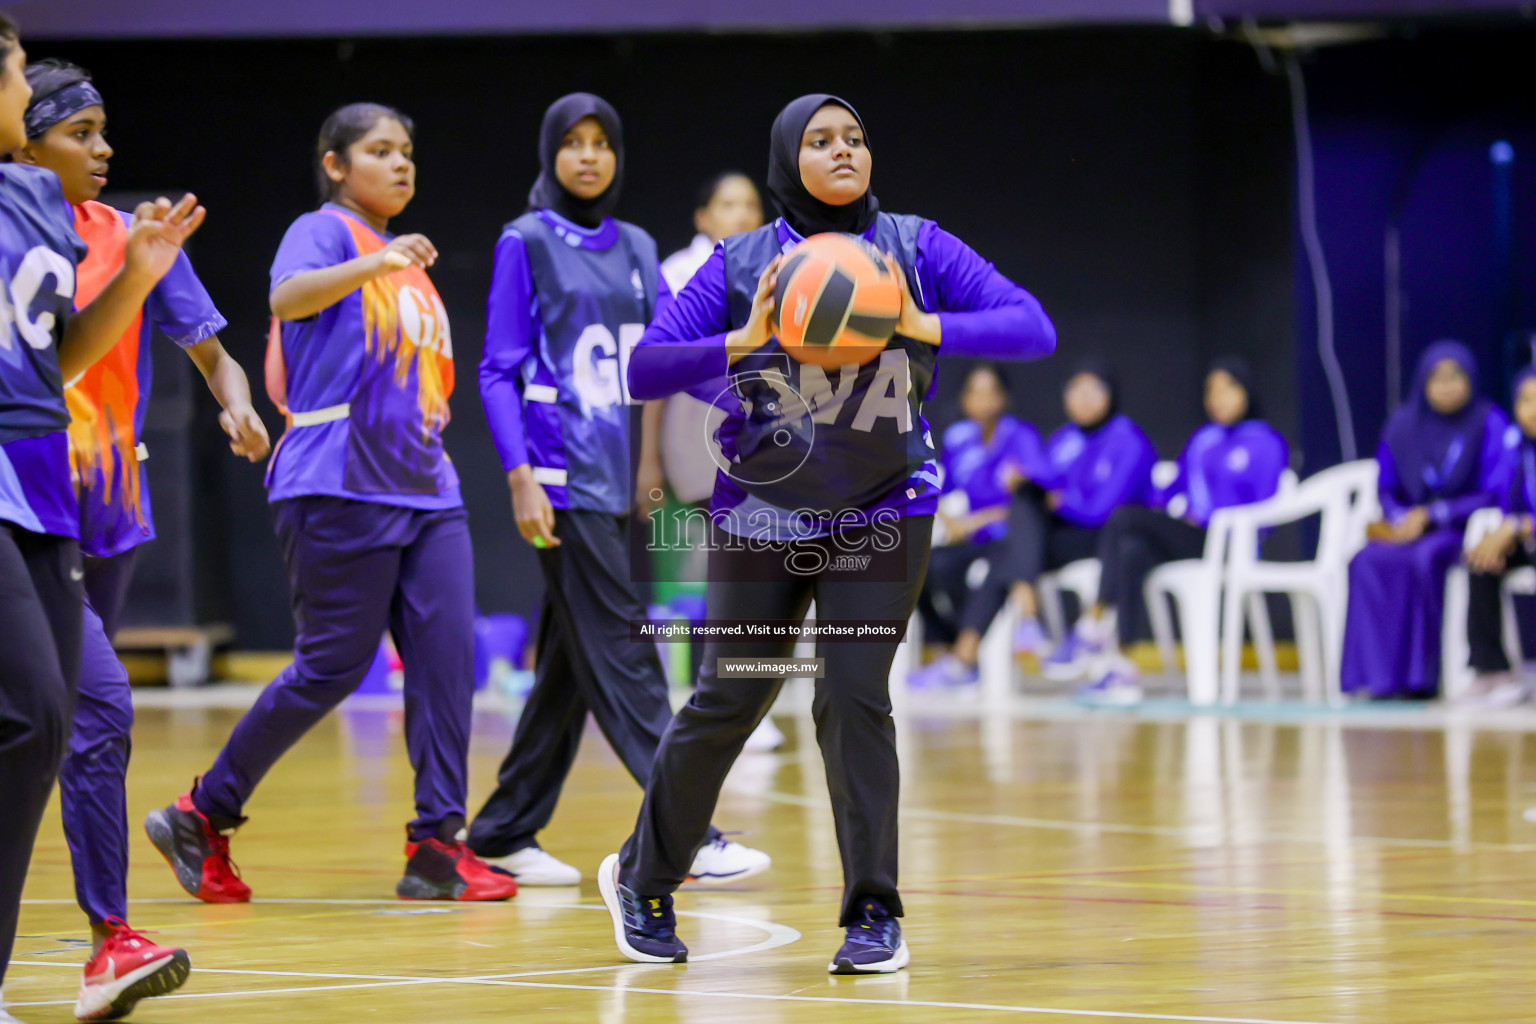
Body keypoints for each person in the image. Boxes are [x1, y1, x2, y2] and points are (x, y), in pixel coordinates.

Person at [599, 94, 1055, 974]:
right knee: (729, 701)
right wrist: (747, 338)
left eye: (855, 137)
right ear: (785, 159)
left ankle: (873, 914)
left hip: (885, 508)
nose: (843, 150)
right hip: (764, 513)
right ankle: (646, 878)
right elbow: (645, 367)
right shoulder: (742, 261)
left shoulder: (916, 248)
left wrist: (923, 324)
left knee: (854, 700)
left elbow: (1033, 327)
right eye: (820, 140)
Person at [145, 102, 517, 906]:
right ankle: (201, 813)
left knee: (448, 662)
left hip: (427, 486)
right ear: (337, 165)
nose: (401, 163)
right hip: (339, 479)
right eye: (380, 150)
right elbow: (286, 300)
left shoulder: (401, 261)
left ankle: (437, 847)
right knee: (332, 667)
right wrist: (374, 266)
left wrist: (388, 267)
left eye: (407, 151)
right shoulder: (327, 233)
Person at [10, 58, 270, 1020]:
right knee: (92, 711)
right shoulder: (20, 229)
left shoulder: (130, 233)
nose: (104, 149)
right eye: (80, 132)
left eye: (104, 130)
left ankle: (102, 943)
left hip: (107, 512)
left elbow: (211, 349)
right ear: (25, 137)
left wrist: (237, 403)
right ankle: (108, 937)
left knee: (69, 725)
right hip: (29, 504)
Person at [470, 94, 769, 888]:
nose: (589, 156)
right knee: (632, 650)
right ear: (550, 154)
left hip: (611, 474)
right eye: (572, 142)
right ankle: (690, 831)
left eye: (602, 141)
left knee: (573, 668)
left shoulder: (636, 245)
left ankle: (501, 830)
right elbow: (498, 367)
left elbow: (673, 353)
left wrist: (756, 400)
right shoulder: (524, 241)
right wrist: (518, 474)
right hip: (560, 477)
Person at [1056, 358, 1287, 706]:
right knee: (1132, 546)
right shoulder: (1203, 440)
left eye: (1228, 389)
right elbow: (1170, 490)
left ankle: (1093, 620)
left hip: (1227, 541)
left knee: (1123, 517)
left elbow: (1267, 506)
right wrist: (1154, 506)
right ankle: (1122, 664)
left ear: (1247, 393)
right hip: (1192, 539)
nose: (1218, 398)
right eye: (1212, 391)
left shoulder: (1266, 443)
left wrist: (1221, 520)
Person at [914, 361, 1156, 688]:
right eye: (1075, 390)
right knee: (1012, 534)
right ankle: (998, 638)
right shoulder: (1063, 440)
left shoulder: (1128, 440)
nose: (1083, 399)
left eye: (1093, 391)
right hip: (1054, 537)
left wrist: (1056, 498)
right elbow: (1042, 488)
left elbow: (1106, 512)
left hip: (1107, 539)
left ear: (1110, 395)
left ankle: (969, 657)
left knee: (1016, 528)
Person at [657, 172, 784, 751]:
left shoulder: (776, 271)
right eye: (727, 204)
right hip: (700, 442)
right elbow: (657, 376)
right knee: (724, 570)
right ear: (702, 217)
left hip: (764, 445)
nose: (740, 214)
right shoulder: (680, 275)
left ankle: (731, 702)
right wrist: (647, 464)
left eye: (750, 205)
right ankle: (716, 703)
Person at [1343, 340, 1509, 700]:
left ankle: (1420, 677)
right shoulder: (1403, 423)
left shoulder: (1487, 421)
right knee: (1367, 561)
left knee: (1423, 559)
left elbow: (1496, 490)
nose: (1446, 386)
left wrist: (1435, 514)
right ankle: (1378, 677)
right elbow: (1385, 486)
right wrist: (1400, 517)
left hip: (1457, 530)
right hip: (1407, 530)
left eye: (1455, 377)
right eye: (1437, 378)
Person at [909, 363, 1039, 679]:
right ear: (964, 398)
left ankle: (975, 650)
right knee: (920, 566)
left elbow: (1038, 495)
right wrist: (948, 518)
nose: (982, 400)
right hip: (974, 538)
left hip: (1012, 540)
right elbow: (941, 484)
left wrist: (979, 518)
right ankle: (950, 646)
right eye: (974, 392)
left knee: (999, 566)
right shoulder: (959, 438)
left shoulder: (1020, 435)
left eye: (990, 392)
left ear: (1003, 398)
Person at [1464, 365, 1536, 707]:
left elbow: (1519, 521)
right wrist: (1497, 537)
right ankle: (1492, 671)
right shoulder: (1514, 448)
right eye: (1525, 400)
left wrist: (1518, 527)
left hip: (1527, 531)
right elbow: (1503, 502)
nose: (1532, 410)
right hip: (1526, 538)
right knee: (1482, 561)